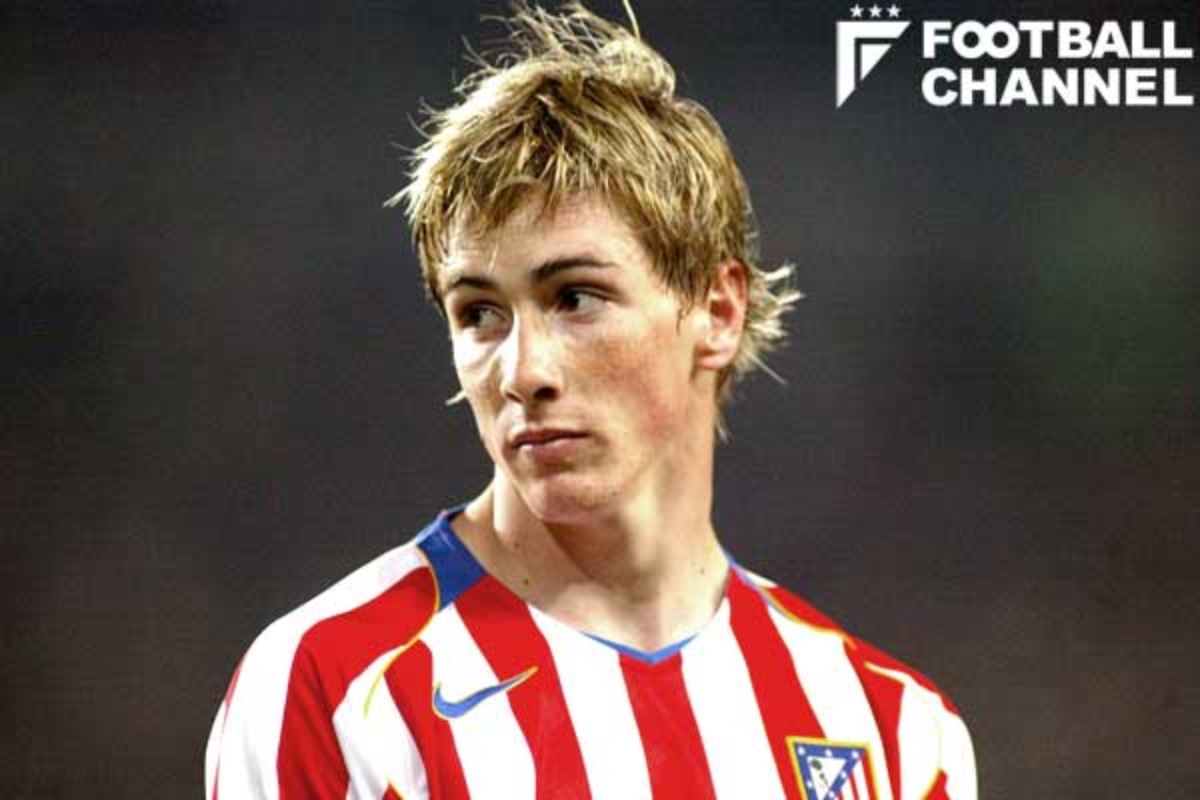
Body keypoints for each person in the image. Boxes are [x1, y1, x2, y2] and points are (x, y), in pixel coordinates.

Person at [205, 4, 977, 798]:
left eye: (575, 298)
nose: (522, 370)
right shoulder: (336, 692)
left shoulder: (894, 733)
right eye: (479, 313)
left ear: (717, 311)